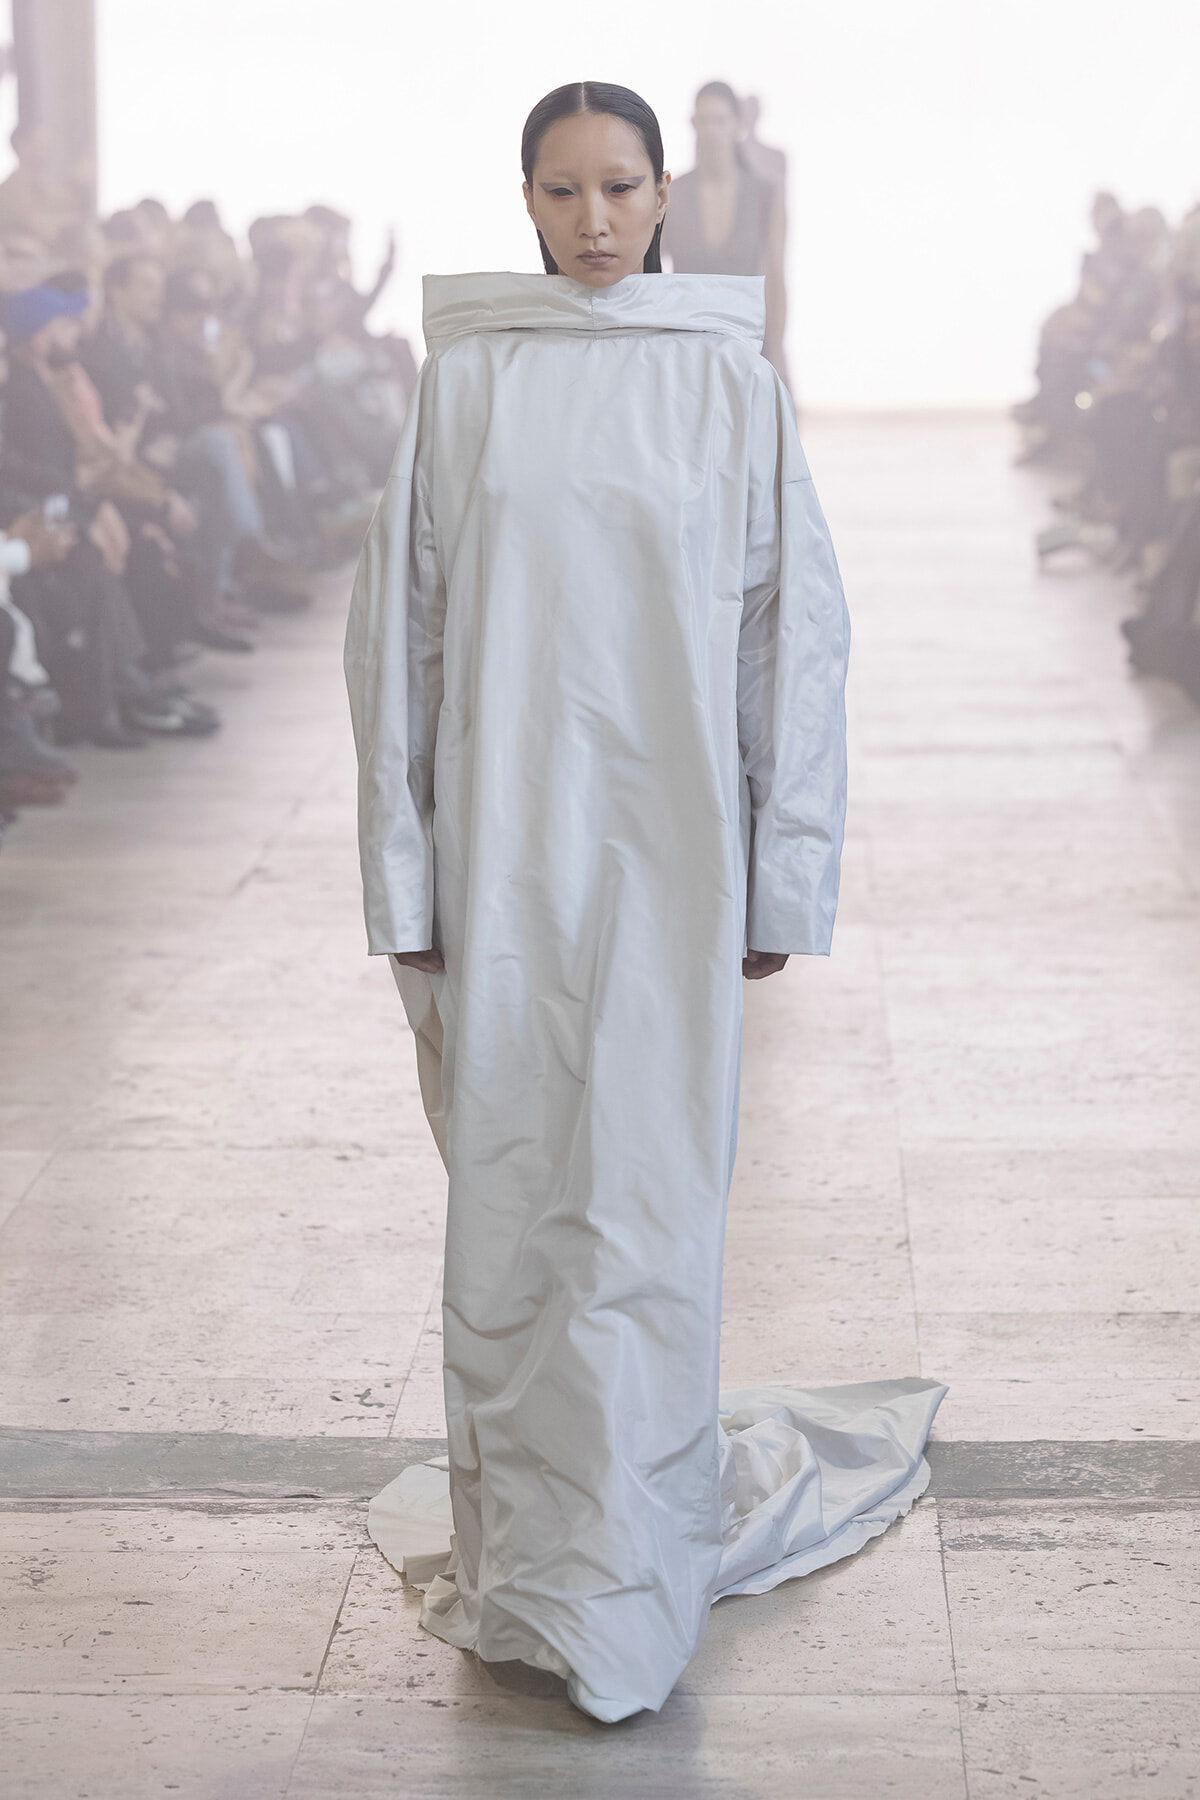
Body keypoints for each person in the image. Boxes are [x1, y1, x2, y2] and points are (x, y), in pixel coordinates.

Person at [346, 80, 944, 1725]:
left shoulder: (725, 381)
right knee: (517, 1202)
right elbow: (400, 641)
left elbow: (789, 639)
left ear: (667, 191)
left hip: (674, 852)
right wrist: (405, 874)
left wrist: (780, 865)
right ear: (523, 204)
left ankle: (636, 1562)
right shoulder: (464, 378)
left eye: (620, 186)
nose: (595, 220)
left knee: (654, 1202)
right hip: (504, 847)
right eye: (562, 191)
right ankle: (537, 1558)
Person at [663, 80, 791, 389]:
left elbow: (776, 274)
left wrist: (777, 353)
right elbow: (650, 273)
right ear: (693, 124)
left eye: (720, 120)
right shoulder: (673, 193)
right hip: (689, 350)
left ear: (737, 125)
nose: (712, 130)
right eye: (703, 121)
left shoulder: (763, 194)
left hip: (750, 346)